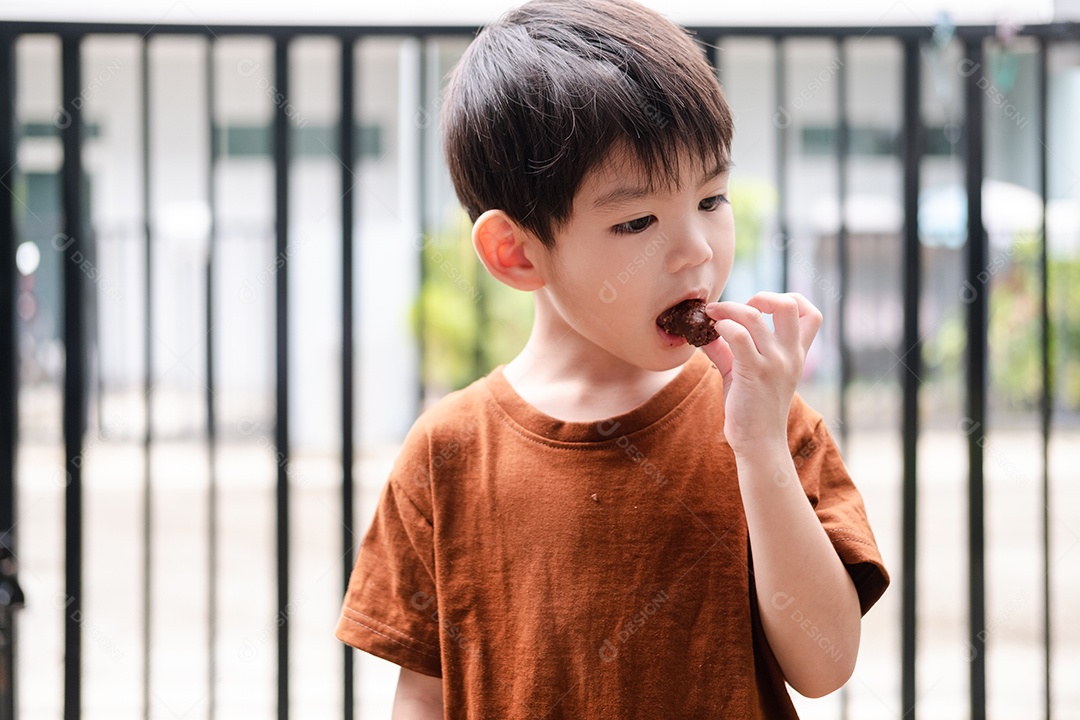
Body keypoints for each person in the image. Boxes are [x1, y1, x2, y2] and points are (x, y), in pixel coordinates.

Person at [335, 0, 889, 716]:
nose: (697, 248)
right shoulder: (448, 453)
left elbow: (824, 665)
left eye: (712, 198)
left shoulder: (768, 421)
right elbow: (423, 695)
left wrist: (759, 450)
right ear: (517, 251)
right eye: (637, 220)